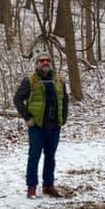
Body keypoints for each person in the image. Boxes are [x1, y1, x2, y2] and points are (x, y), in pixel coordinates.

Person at [13, 51, 69, 198]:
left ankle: (48, 186)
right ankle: (31, 187)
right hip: (37, 126)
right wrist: (27, 118)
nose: (45, 63)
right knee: (34, 156)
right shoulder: (30, 80)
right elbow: (17, 99)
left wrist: (63, 119)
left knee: (50, 157)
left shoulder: (59, 80)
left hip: (54, 126)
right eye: (41, 61)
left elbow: (65, 100)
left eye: (47, 61)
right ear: (37, 64)